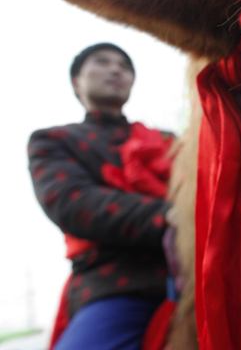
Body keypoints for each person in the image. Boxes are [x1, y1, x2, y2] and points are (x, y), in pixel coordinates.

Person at [28, 43, 173, 350]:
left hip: (204, 268)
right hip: (118, 283)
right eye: (102, 62)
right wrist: (173, 215)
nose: (115, 69)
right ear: (76, 82)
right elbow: (74, 204)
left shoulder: (168, 140)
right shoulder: (55, 141)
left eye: (124, 65)